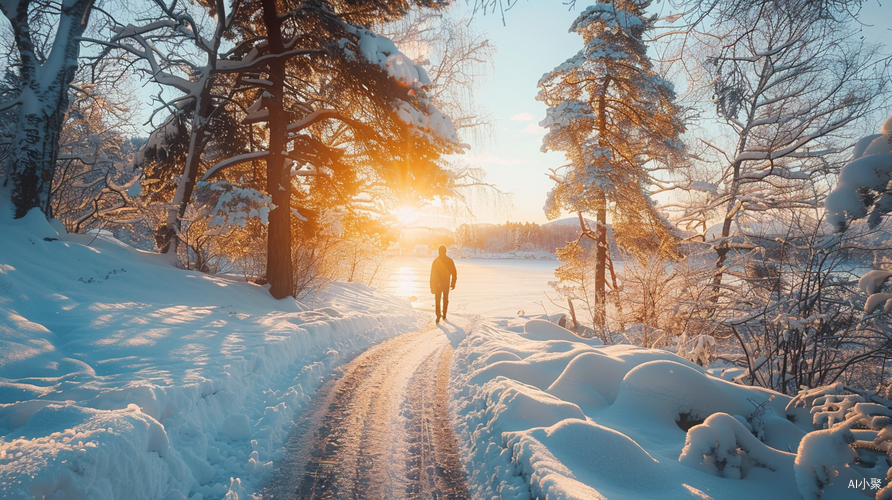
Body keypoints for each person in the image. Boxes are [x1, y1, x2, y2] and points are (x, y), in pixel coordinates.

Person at [430, 245, 456, 324]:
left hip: (438, 284)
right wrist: (453, 283)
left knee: (438, 300)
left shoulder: (436, 261)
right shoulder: (449, 261)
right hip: (445, 283)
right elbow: (454, 273)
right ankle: (444, 314)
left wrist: (432, 286)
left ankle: (438, 315)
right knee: (445, 299)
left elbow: (432, 275)